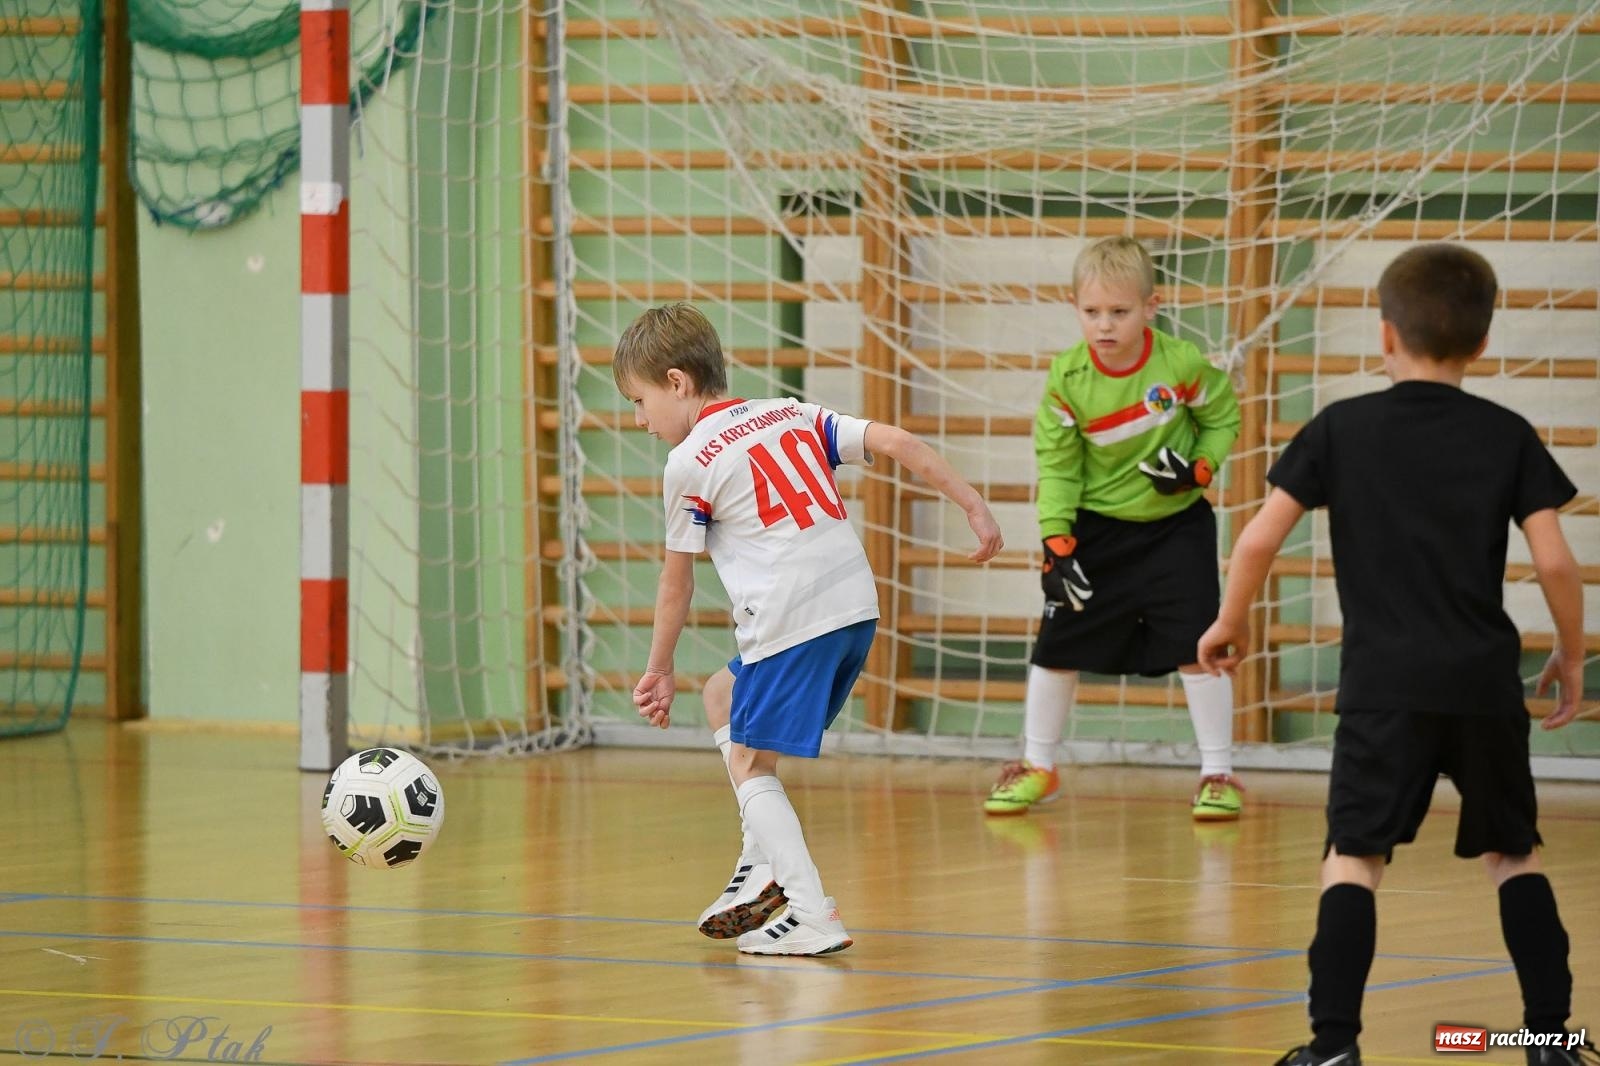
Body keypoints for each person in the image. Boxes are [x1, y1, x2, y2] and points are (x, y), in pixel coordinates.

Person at [1197, 244, 1593, 1066]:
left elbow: (1258, 539)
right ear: (1481, 344)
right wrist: (1571, 652)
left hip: (1381, 690)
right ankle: (1550, 1041)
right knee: (1512, 855)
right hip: (1483, 686)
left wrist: (1230, 620)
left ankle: (1333, 1047)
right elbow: (1555, 560)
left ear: (1385, 336)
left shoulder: (1342, 428)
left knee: (1353, 860)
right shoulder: (1507, 434)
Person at [615, 302, 1004, 957]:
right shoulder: (788, 412)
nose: (639, 420)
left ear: (678, 383)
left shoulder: (687, 463)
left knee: (746, 762)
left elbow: (675, 582)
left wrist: (656, 669)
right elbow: (898, 443)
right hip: (855, 606)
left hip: (792, 620)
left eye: (639, 400)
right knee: (722, 697)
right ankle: (762, 863)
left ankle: (810, 908)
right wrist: (972, 504)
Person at [983, 236, 1244, 820]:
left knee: (1199, 648)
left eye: (1120, 312)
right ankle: (1040, 767)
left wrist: (1200, 468)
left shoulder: (1181, 364)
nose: (1105, 325)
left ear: (1151, 307)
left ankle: (1218, 774)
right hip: (1095, 530)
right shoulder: (1068, 379)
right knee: (1055, 648)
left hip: (1177, 527)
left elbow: (1223, 416)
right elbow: (1058, 467)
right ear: (1074, 306)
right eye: (1092, 311)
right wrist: (1056, 542)